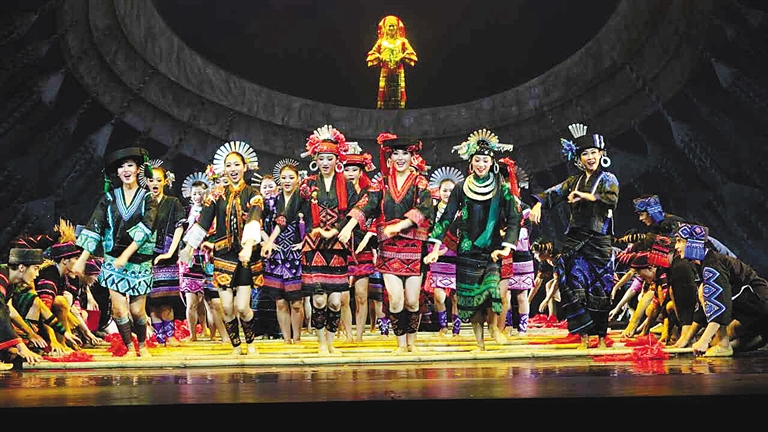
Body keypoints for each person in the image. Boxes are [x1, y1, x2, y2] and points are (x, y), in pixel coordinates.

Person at [424, 129, 520, 351]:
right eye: (477, 160)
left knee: (492, 291)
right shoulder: (461, 188)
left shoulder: (502, 189)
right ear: (471, 162)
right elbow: (447, 218)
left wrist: (507, 248)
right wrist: (435, 247)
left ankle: (494, 327)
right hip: (467, 251)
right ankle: (480, 343)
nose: (481, 164)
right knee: (471, 299)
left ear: (491, 162)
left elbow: (514, 218)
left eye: (485, 160)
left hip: (492, 251)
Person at [529, 123, 620, 349]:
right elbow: (554, 193)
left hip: (598, 239)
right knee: (574, 283)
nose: (590, 157)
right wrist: (539, 204)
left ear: (601, 154)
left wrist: (586, 196)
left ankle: (600, 338)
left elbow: (611, 199)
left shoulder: (608, 178)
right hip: (576, 239)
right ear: (579, 159)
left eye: (593, 153)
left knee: (600, 288)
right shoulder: (574, 181)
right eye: (585, 154)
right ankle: (583, 337)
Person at [340, 132, 432, 354]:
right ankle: (401, 345)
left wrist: (399, 226)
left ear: (412, 157)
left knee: (412, 301)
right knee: (396, 300)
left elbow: (426, 207)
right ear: (390, 158)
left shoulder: (419, 181)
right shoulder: (381, 183)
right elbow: (366, 204)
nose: (400, 158)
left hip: (414, 247)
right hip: (388, 247)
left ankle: (412, 343)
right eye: (396, 154)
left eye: (405, 154)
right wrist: (349, 226)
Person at [179, 141, 264, 356]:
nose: (233, 169)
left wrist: (248, 246)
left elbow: (254, 219)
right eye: (229, 165)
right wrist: (189, 247)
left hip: (246, 257)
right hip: (224, 256)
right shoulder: (216, 195)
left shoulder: (254, 194)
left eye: (236, 165)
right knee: (226, 307)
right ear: (223, 169)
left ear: (245, 167)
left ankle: (250, 343)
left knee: (243, 307)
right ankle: (236, 346)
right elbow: (203, 222)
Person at [73, 147, 158, 357]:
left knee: (137, 311)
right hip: (113, 260)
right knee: (119, 310)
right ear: (117, 173)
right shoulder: (109, 198)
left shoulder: (148, 198)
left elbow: (146, 229)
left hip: (139, 260)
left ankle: (142, 345)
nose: (126, 170)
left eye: (130, 165)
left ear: (138, 169)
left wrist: (126, 255)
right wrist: (82, 259)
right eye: (121, 167)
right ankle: (129, 348)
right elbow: (95, 227)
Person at [298, 125, 359, 355]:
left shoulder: (347, 186)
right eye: (321, 158)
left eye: (330, 158)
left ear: (337, 160)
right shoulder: (308, 184)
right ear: (315, 159)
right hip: (314, 246)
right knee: (319, 301)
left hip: (337, 247)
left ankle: (331, 342)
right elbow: (297, 210)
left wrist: (336, 230)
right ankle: (322, 342)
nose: (325, 163)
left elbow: (355, 212)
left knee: (335, 301)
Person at [672, 223, 768, 356]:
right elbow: (701, 310)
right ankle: (725, 344)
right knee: (723, 344)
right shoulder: (700, 264)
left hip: (761, 310)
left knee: (705, 292)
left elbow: (720, 302)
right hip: (754, 317)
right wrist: (686, 339)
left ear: (693, 243)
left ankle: (723, 344)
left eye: (679, 241)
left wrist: (704, 340)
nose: (676, 247)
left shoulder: (713, 264)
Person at [261, 159, 307, 344]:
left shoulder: (303, 201)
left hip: (296, 255)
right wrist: (267, 241)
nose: (287, 181)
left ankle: (297, 338)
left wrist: (304, 242)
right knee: (280, 301)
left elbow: (313, 222)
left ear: (297, 179)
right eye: (284, 178)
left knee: (296, 302)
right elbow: (255, 221)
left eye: (291, 177)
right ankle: (286, 340)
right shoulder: (271, 202)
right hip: (276, 255)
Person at [178, 172, 228, 343]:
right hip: (191, 259)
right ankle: (193, 335)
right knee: (192, 301)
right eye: (194, 193)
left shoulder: (213, 210)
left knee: (212, 301)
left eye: (201, 193)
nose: (197, 197)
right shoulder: (186, 212)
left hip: (208, 258)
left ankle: (218, 335)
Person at [142, 161, 186, 346]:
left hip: (167, 254)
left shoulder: (172, 202)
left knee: (166, 298)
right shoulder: (142, 203)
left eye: (159, 180)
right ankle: (159, 337)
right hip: (146, 255)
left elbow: (179, 227)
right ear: (147, 182)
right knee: (152, 300)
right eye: (152, 180)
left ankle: (170, 335)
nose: (155, 183)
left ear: (165, 182)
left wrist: (170, 253)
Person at [424, 167, 464, 336]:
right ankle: (443, 327)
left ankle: (456, 329)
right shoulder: (432, 212)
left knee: (455, 297)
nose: (448, 194)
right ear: (439, 192)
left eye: (451, 191)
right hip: (437, 257)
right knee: (439, 297)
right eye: (445, 190)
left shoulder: (461, 213)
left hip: (456, 256)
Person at [1, 248, 46, 367]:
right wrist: (21, 346)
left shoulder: (9, 283)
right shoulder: (1, 277)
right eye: (35, 268)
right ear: (21, 267)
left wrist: (30, 333)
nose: (37, 274)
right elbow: (1, 311)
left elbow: (10, 310)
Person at [366, 15, 418, 109]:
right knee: (385, 96)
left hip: (398, 71)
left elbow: (412, 55)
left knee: (398, 95)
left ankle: (399, 113)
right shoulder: (381, 42)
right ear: (385, 28)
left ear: (397, 28)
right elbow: (371, 55)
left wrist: (402, 57)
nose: (391, 28)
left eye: (393, 26)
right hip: (385, 72)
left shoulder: (402, 41)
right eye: (389, 26)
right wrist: (380, 57)